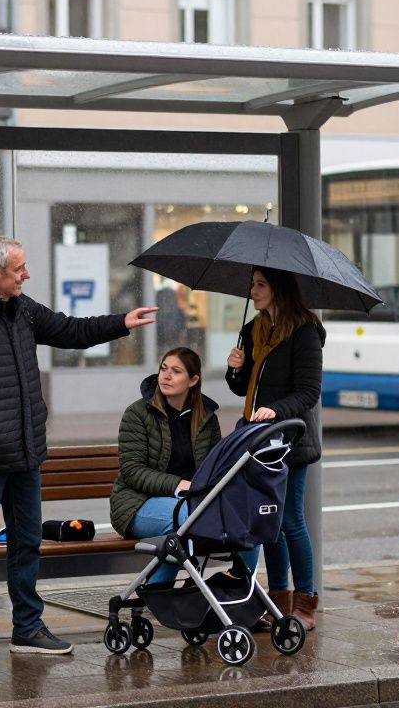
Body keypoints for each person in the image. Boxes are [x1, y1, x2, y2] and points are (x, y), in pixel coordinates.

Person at [0, 236, 156, 663]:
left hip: (26, 453)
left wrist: (121, 322)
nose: (26, 275)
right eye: (19, 268)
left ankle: (27, 628)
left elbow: (73, 330)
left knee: (27, 542)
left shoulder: (24, 311)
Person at [225, 266, 325, 630]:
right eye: (252, 284)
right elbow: (242, 389)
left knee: (290, 520)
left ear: (278, 288)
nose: (252, 292)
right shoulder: (254, 330)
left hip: (291, 438)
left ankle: (306, 603)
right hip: (259, 439)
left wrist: (275, 411)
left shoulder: (305, 330)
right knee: (268, 520)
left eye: (260, 284)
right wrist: (236, 370)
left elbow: (309, 391)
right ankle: (276, 600)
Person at [110, 347, 221, 584]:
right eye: (164, 368)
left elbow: (216, 467)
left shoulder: (206, 417)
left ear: (193, 380)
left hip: (189, 502)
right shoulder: (138, 413)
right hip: (136, 503)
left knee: (241, 516)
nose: (166, 376)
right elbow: (132, 472)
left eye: (176, 371)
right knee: (187, 518)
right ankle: (163, 593)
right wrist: (180, 485)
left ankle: (238, 593)